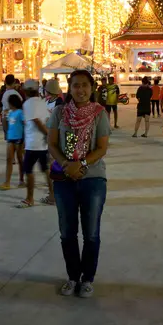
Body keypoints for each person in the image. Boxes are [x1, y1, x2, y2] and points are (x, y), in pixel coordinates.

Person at [47, 69, 110, 298]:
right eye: (76, 85)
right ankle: (73, 276)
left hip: (93, 179)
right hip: (64, 179)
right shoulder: (60, 113)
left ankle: (87, 279)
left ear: (92, 88)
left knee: (91, 233)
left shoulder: (99, 114)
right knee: (67, 233)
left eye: (84, 85)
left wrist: (80, 163)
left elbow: (102, 148)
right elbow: (52, 143)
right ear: (69, 87)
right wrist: (66, 164)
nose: (80, 90)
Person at [18, 79, 54, 207]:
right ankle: (52, 196)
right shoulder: (42, 102)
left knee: (28, 170)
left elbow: (36, 121)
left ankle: (29, 199)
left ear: (26, 91)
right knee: (46, 170)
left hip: (33, 143)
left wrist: (47, 134)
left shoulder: (28, 104)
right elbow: (47, 119)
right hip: (43, 144)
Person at [0, 94, 25, 190]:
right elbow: (7, 124)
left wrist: (24, 139)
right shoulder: (9, 113)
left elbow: (25, 124)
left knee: (20, 160)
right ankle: (7, 182)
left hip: (19, 139)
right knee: (9, 159)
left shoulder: (20, 112)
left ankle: (21, 180)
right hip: (10, 138)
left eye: (9, 102)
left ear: (12, 103)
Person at [1, 74, 21, 139]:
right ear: (14, 82)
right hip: (15, 118)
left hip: (6, 118)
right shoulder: (16, 93)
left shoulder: (4, 94)